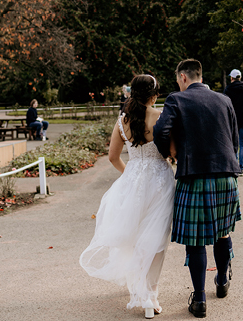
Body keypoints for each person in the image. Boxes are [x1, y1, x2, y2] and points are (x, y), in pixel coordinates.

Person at [80, 74, 176, 319]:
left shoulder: (122, 121)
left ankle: (141, 290)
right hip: (160, 182)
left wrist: (131, 175)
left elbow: (113, 157)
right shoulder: (161, 116)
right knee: (156, 239)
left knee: (134, 237)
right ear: (154, 95)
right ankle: (149, 295)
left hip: (132, 182)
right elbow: (173, 151)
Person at [153, 59, 241, 318]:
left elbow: (161, 132)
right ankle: (222, 281)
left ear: (182, 77)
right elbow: (234, 139)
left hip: (194, 177)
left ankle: (200, 299)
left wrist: (171, 153)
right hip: (226, 175)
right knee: (223, 232)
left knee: (196, 239)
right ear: (200, 76)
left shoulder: (176, 100)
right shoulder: (224, 99)